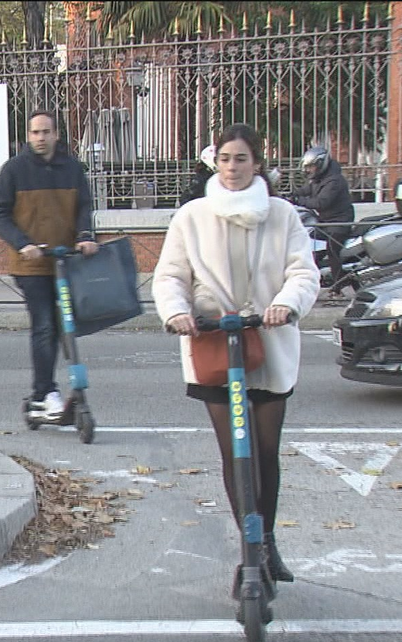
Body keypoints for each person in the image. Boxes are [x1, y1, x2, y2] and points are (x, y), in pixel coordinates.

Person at [152, 123, 319, 585]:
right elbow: (170, 276)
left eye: (241, 159)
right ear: (215, 162)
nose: (231, 168)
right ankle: (249, 545)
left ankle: (267, 541)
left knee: (265, 451)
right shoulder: (192, 216)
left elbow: (303, 271)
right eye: (224, 159)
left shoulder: (282, 215)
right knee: (234, 453)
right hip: (213, 341)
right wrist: (177, 312)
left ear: (257, 163)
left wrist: (286, 304)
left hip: (269, 338)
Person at [0, 109, 97, 424]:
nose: (40, 138)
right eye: (35, 133)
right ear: (28, 135)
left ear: (56, 135)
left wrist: (86, 236)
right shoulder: (14, 170)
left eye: (46, 132)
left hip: (66, 261)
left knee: (65, 328)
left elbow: (84, 207)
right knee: (45, 326)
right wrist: (23, 244)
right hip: (31, 265)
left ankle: (43, 394)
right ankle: (45, 391)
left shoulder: (72, 169)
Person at [289, 145, 354, 292]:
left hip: (340, 222)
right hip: (326, 222)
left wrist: (300, 201)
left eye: (311, 166)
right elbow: (306, 190)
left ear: (320, 164)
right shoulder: (319, 178)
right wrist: (289, 195)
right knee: (309, 245)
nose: (309, 170)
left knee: (332, 249)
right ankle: (310, 279)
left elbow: (321, 202)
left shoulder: (334, 181)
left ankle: (340, 284)